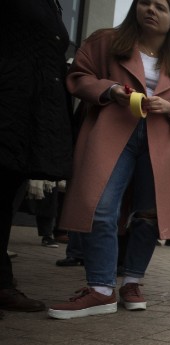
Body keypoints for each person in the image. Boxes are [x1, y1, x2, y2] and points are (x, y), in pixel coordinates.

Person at [49, 0, 170, 319]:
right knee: (101, 206)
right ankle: (102, 290)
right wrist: (110, 90)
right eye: (144, 3)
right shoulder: (107, 43)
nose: (151, 10)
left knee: (148, 215)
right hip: (113, 131)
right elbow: (78, 76)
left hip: (161, 142)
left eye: (160, 6)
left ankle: (132, 282)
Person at [1, 0, 73, 317]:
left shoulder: (52, 6)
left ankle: (2, 283)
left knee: (6, 191)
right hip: (9, 100)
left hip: (28, 111)